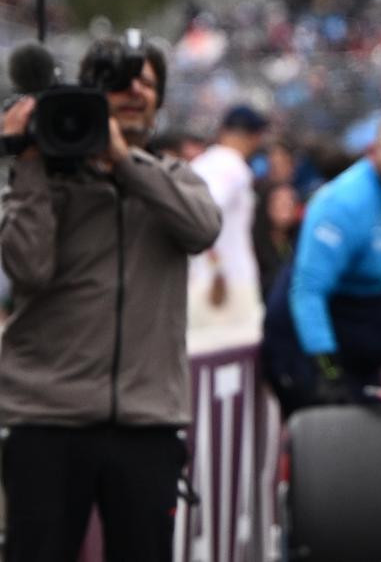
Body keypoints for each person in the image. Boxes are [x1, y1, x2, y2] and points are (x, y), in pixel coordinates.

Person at [0, 37, 221, 562]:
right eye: (121, 83)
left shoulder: (173, 180)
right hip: (47, 417)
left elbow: (201, 229)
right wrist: (28, 163)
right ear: (91, 93)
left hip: (146, 423)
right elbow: (27, 268)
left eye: (147, 83)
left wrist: (123, 159)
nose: (135, 92)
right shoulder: (46, 179)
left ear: (161, 102)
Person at [262, 108, 381, 417]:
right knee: (330, 443)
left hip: (360, 347)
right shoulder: (342, 204)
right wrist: (326, 366)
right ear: (375, 151)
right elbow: (308, 291)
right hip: (306, 344)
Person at [187, 103, 269, 329]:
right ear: (255, 136)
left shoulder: (201, 163)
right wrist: (217, 267)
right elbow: (203, 212)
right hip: (228, 282)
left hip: (201, 277)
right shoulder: (231, 164)